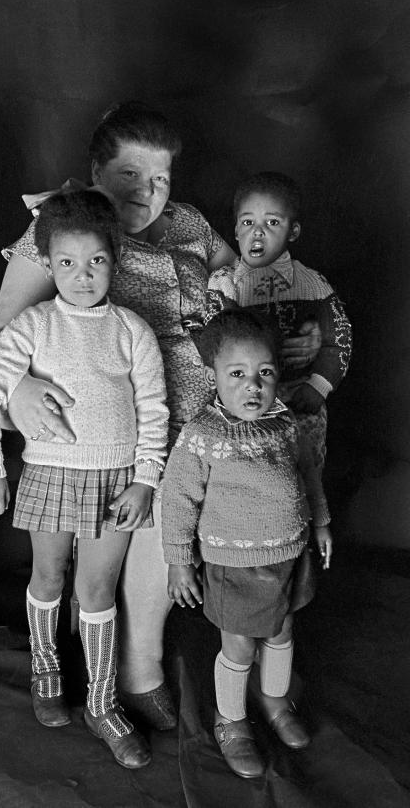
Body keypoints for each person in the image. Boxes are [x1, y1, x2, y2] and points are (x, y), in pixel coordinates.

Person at [0, 102, 320, 732]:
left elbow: (254, 277)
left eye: (161, 179)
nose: (148, 193)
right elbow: (4, 336)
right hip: (109, 430)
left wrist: (297, 331)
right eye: (131, 175)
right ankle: (90, 668)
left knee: (181, 535)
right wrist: (19, 393)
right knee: (100, 552)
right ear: (95, 172)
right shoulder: (65, 227)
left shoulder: (190, 225)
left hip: (203, 426)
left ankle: (142, 667)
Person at [0, 190, 168, 769]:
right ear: (49, 263)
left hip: (118, 479)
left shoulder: (132, 331)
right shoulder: (32, 326)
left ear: (115, 260)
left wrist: (146, 481)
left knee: (97, 591)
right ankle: (46, 665)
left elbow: (153, 410)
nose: (83, 276)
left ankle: (102, 703)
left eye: (97, 261)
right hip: (52, 474)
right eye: (67, 264)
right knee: (50, 573)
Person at [161, 310, 333, 779]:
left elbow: (308, 474)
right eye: (237, 374)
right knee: (238, 646)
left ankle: (274, 697)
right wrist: (179, 562)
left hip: (289, 554)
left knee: (280, 632)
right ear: (213, 375)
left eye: (265, 374)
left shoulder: (285, 425)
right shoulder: (202, 437)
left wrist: (320, 524)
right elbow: (176, 500)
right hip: (233, 563)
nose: (252, 386)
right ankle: (231, 720)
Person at [206, 171, 352, 472]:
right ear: (235, 230)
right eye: (248, 223)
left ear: (293, 231)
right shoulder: (224, 284)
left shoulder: (313, 284)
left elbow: (340, 338)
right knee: (244, 472)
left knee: (302, 473)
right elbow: (214, 343)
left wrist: (318, 386)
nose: (257, 233)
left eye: (272, 223)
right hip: (242, 396)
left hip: (299, 397)